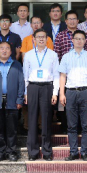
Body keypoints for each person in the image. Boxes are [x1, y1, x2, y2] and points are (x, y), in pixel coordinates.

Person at [58, 30, 87, 161]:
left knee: (86, 124)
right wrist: (62, 94)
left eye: (82, 39)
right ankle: (73, 152)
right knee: (71, 125)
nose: (79, 41)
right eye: (77, 38)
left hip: (86, 91)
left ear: (85, 41)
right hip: (70, 92)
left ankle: (85, 152)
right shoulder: (66, 57)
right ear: (73, 40)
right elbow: (62, 76)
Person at [0, 41, 24, 162]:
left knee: (12, 129)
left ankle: (11, 152)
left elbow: (21, 83)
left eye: (7, 48)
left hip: (12, 101)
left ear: (11, 52)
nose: (4, 50)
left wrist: (19, 99)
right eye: (2, 48)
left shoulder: (17, 65)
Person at [23, 29, 59, 161]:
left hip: (47, 87)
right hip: (32, 87)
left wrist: (55, 93)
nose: (41, 39)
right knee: (32, 119)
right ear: (34, 39)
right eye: (38, 37)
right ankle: (32, 152)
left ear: (47, 39)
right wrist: (25, 92)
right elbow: (25, 75)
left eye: (43, 37)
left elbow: (56, 75)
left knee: (46, 119)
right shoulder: (28, 55)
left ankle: (47, 151)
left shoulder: (53, 55)